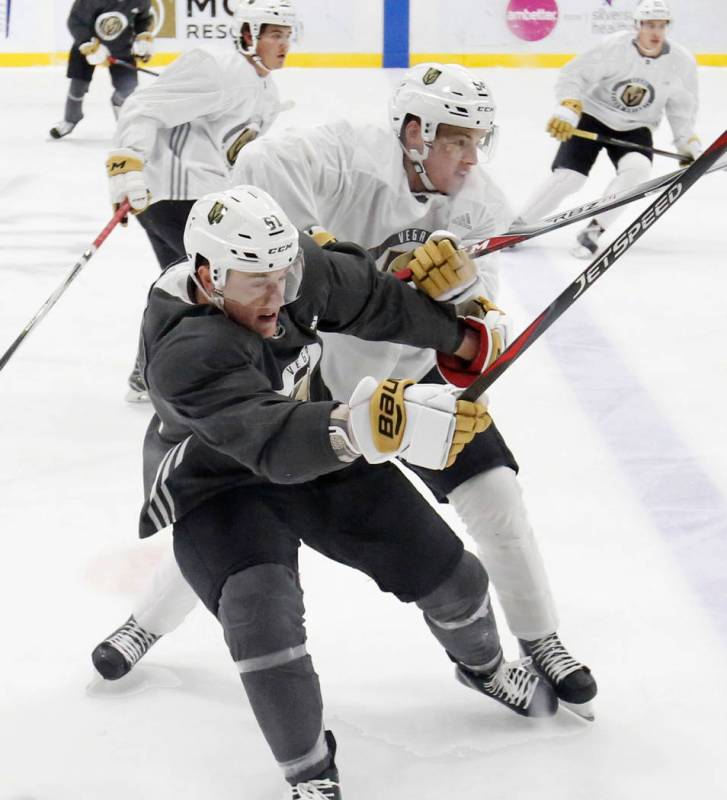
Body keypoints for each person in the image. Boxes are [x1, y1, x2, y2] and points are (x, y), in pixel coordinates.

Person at [93, 63, 598, 721]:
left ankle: (539, 640)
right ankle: (146, 622)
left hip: (410, 371)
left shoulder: (478, 201)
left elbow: (484, 326)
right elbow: (256, 175)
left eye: (480, 141)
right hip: (323, 376)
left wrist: (461, 295)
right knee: (238, 507)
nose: (471, 158)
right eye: (456, 141)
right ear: (414, 132)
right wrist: (319, 245)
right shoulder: (341, 156)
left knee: (496, 493)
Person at [123, 184, 557, 798]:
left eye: (284, 275)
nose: (279, 296)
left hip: (320, 444)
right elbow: (269, 439)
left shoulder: (286, 266)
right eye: (258, 283)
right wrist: (365, 424)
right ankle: (308, 774)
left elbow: (374, 300)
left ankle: (484, 667)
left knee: (455, 579)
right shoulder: (185, 349)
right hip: (219, 483)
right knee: (260, 614)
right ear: (207, 274)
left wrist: (464, 341)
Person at [105, 0, 297, 399]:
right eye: (274, 35)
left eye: (286, 35)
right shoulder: (217, 68)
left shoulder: (265, 89)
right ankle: (206, 378)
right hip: (175, 197)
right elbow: (143, 106)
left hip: (199, 202)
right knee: (219, 290)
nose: (283, 44)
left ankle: (148, 373)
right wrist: (127, 165)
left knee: (181, 286)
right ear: (248, 35)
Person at [513, 0, 700, 257]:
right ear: (637, 26)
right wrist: (568, 108)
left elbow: (682, 108)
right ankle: (516, 227)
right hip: (592, 116)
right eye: (648, 25)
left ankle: (594, 230)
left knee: (638, 170)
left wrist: (686, 143)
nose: (655, 32)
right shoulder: (613, 47)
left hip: (637, 127)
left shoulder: (681, 62)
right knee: (570, 178)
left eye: (661, 25)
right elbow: (573, 74)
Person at [50, 0, 154, 139]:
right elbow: (75, 21)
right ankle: (70, 119)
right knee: (78, 85)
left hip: (121, 47)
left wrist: (143, 35)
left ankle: (121, 115)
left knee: (128, 88)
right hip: (87, 46)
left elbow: (144, 18)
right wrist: (88, 43)